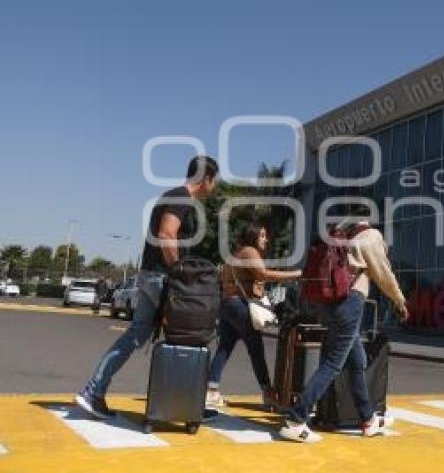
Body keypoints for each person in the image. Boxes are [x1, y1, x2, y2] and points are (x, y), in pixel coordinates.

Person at [75, 156, 219, 419]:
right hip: (162, 278)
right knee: (188, 335)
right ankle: (187, 404)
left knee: (137, 335)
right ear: (207, 178)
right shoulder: (181, 198)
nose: (215, 186)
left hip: (152, 275)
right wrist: (179, 274)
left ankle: (94, 391)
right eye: (215, 180)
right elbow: (167, 234)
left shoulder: (174, 196)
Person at [278, 217, 409, 443]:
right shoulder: (370, 237)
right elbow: (383, 274)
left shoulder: (340, 233)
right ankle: (296, 419)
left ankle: (368, 419)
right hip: (350, 302)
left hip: (329, 304)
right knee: (332, 364)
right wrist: (399, 301)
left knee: (356, 360)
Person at [206, 223, 301, 410]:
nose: (266, 239)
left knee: (225, 347)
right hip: (239, 305)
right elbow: (263, 274)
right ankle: (268, 394)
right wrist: (294, 274)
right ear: (253, 237)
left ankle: (211, 391)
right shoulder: (250, 252)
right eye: (263, 235)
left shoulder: (236, 254)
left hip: (227, 304)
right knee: (256, 349)